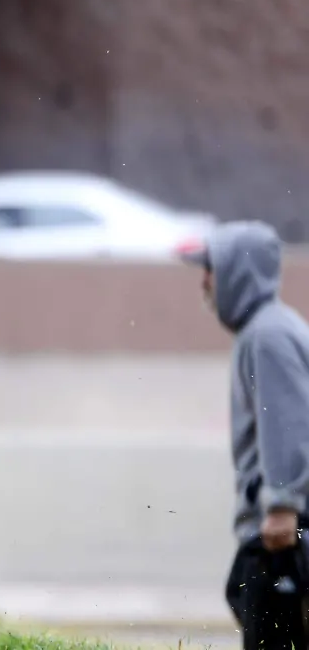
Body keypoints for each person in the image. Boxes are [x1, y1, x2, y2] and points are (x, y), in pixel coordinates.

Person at [183, 220, 309, 648]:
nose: (204, 282)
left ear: (239, 272)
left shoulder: (268, 336)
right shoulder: (267, 329)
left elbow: (287, 423)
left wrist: (282, 505)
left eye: (211, 269)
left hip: (280, 537)